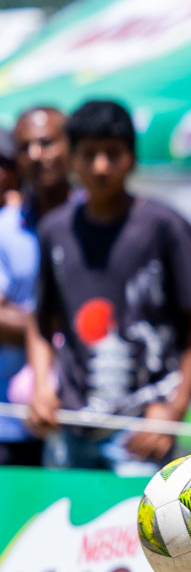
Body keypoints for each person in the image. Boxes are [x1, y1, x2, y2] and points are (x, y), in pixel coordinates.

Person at [26, 100, 191, 475]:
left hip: (144, 427)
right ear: (71, 159)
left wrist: (174, 409)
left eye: (112, 154)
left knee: (140, 530)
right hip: (72, 423)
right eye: (89, 154)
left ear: (131, 157)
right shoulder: (55, 229)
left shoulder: (165, 227)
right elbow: (42, 319)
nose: (101, 166)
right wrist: (41, 387)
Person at [0, 107, 71, 467]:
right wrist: (49, 329)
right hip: (12, 421)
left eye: (46, 143)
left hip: (89, 418)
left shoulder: (101, 223)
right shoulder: (6, 228)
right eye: (25, 146)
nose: (36, 155)